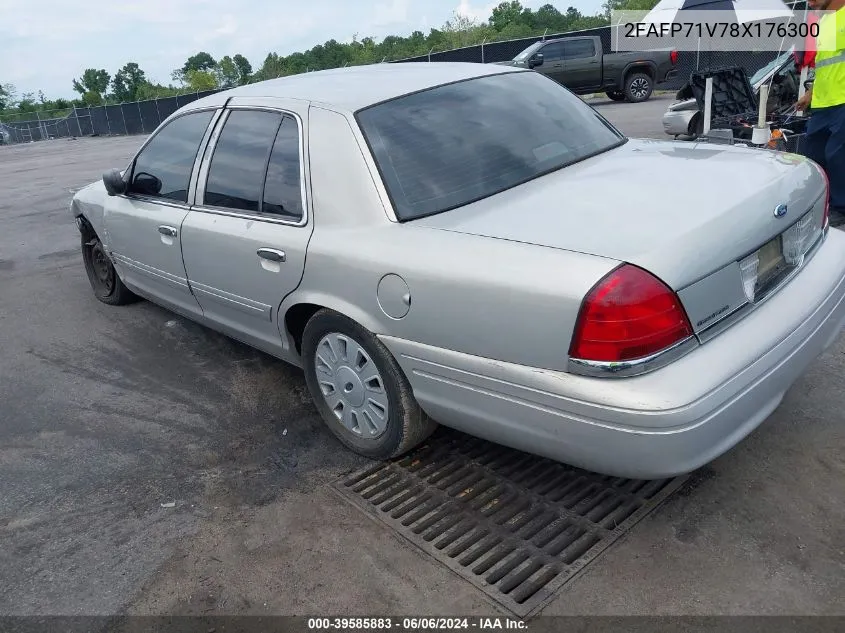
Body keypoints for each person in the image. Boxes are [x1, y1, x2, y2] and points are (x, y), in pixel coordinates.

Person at [797, 0, 845, 227]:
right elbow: (825, 64)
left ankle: (840, 208)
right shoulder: (824, 22)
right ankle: (821, 201)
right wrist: (810, 93)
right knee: (813, 155)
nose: (810, 1)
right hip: (822, 104)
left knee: (837, 157)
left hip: (842, 102)